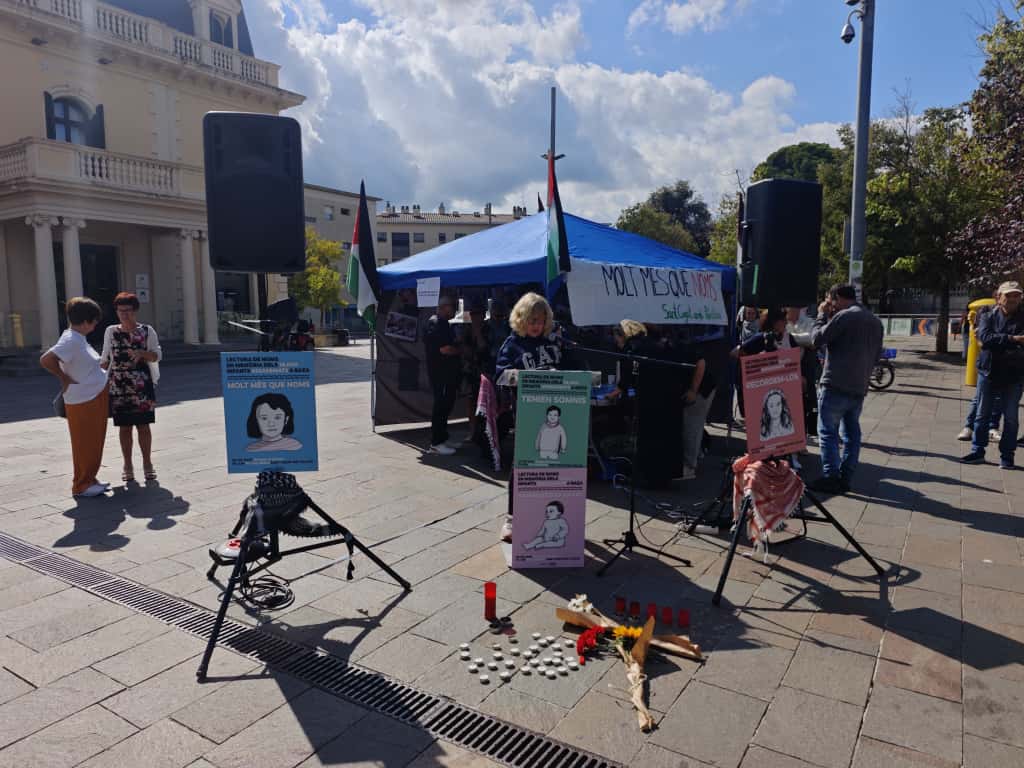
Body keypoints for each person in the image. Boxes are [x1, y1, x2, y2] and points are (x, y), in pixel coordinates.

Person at [494, 292, 568, 540]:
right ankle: (513, 519)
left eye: (540, 320)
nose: (536, 325)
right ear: (521, 318)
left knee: (554, 467)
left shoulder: (553, 343)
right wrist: (525, 377)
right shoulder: (512, 344)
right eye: (531, 320)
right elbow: (501, 376)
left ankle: (551, 516)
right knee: (522, 466)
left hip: (558, 412)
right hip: (525, 414)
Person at [808, 285, 884, 494]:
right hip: (859, 387)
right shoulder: (875, 321)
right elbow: (877, 356)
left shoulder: (844, 317)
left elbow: (816, 339)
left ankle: (831, 476)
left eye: (832, 301)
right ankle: (846, 476)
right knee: (852, 434)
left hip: (835, 384)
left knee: (828, 433)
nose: (831, 304)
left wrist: (822, 315)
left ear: (839, 298)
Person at [40, 297, 110, 497]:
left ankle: (89, 478)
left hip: (92, 396)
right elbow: (46, 359)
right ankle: (81, 484)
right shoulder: (71, 340)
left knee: (94, 441)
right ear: (86, 321)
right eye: (95, 321)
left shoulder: (77, 338)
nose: (96, 325)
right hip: (83, 399)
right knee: (85, 442)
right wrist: (63, 378)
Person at [100, 292, 162, 482]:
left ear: (135, 311)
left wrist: (142, 353)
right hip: (119, 384)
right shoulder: (111, 331)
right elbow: (105, 359)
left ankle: (147, 463)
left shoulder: (147, 330)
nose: (124, 314)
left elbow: (157, 355)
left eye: (128, 311)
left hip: (142, 384)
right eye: (120, 311)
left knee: (143, 426)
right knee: (124, 427)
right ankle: (127, 464)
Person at [962, 282, 1024, 468]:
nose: (1013, 299)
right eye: (1008, 295)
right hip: (988, 372)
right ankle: (977, 451)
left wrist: (1000, 341)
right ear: (999, 297)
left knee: (1011, 418)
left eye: (1016, 295)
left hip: (1014, 374)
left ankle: (1007, 456)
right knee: (982, 415)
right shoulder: (987, 314)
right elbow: (986, 339)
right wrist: (1013, 339)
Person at [423, 294, 462, 455]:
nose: (455, 309)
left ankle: (443, 438)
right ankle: (436, 443)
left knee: (446, 406)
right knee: (441, 406)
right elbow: (444, 349)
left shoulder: (442, 323)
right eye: (453, 306)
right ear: (444, 307)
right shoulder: (436, 323)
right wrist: (461, 351)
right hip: (441, 373)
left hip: (447, 374)